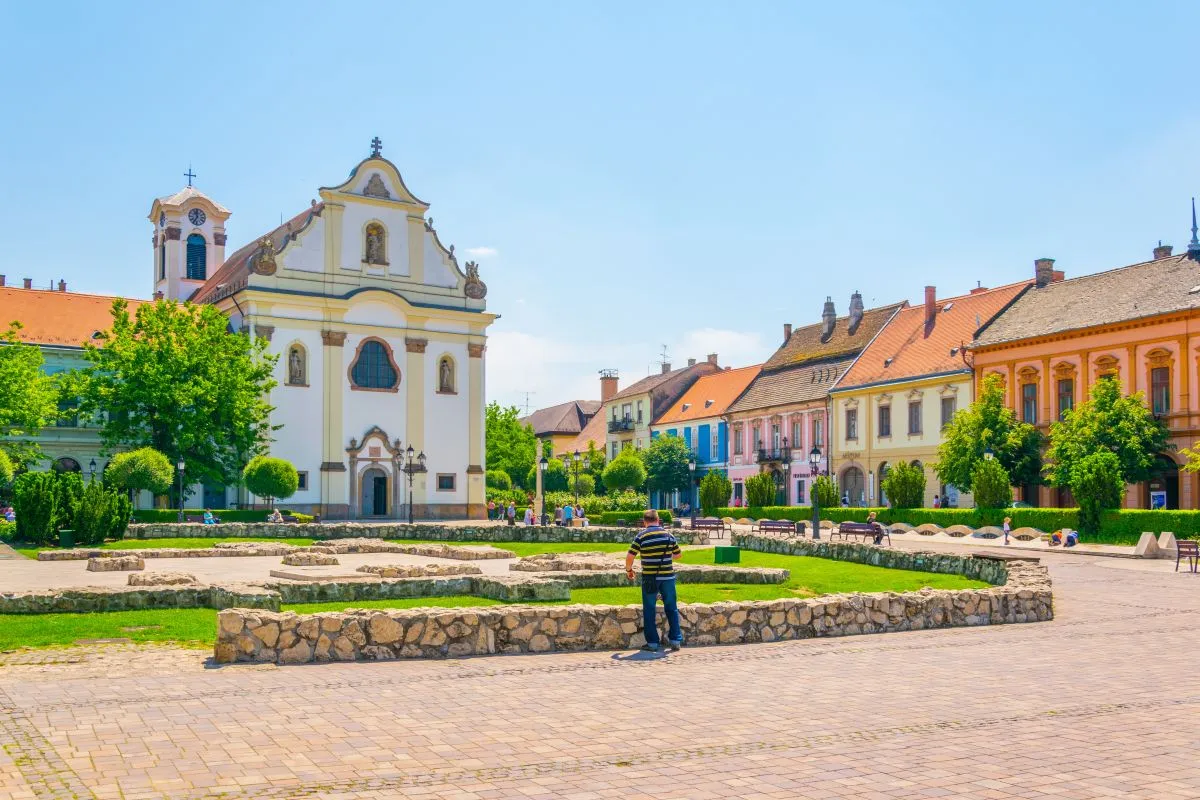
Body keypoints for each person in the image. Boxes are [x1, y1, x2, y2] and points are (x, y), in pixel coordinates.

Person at [625, 510, 683, 653]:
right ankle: (675, 640)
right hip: (668, 578)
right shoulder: (669, 535)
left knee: (649, 610)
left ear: (645, 522)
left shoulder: (641, 536)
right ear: (658, 520)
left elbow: (630, 556)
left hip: (649, 578)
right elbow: (678, 555)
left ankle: (652, 643)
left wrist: (629, 570)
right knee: (671, 608)